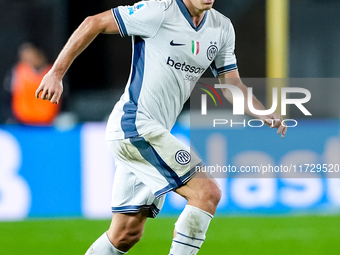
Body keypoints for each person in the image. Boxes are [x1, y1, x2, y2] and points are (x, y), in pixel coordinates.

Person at [36, 0, 287, 254]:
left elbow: (232, 84)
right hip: (135, 125)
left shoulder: (221, 27)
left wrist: (260, 110)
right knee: (206, 192)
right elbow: (94, 22)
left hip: (149, 133)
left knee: (125, 234)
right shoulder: (159, 11)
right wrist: (56, 74)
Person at [5, 43, 61, 125]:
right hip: (22, 123)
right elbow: (8, 97)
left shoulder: (52, 73)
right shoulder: (17, 72)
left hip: (48, 123)